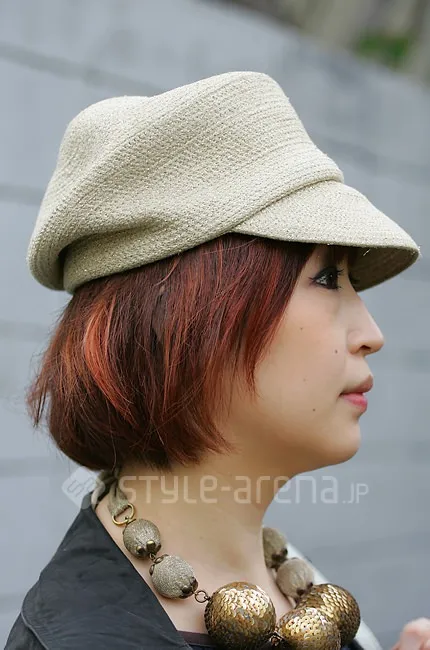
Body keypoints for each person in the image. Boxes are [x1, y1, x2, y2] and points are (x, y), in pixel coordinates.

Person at [5, 71, 428, 650]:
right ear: (189, 320)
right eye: (328, 278)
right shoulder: (89, 638)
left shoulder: (287, 576)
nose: (371, 334)